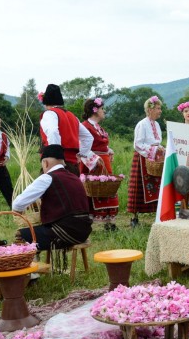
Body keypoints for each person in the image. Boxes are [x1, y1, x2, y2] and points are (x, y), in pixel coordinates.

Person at [12, 144, 92, 252]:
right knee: (37, 231)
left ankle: (31, 266)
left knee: (21, 235)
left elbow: (17, 204)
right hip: (83, 231)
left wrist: (18, 211)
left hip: (65, 232)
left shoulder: (47, 178)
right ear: (63, 162)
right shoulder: (75, 177)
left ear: (45, 163)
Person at [38, 84, 99, 175]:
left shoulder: (49, 114)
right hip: (73, 165)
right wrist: (81, 155)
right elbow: (88, 138)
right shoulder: (72, 116)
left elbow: (53, 132)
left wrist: (56, 157)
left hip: (55, 164)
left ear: (46, 102)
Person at [79, 97, 119, 231]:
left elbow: (101, 145)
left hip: (104, 162)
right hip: (92, 164)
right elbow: (81, 147)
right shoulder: (84, 126)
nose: (104, 111)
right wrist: (94, 160)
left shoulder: (98, 127)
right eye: (102, 109)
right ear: (95, 111)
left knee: (108, 189)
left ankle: (109, 222)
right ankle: (89, 223)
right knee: (93, 190)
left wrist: (108, 150)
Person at [127, 96, 165, 227]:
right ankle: (134, 218)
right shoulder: (142, 124)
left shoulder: (157, 124)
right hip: (142, 158)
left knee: (156, 186)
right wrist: (152, 151)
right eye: (158, 108)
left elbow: (157, 142)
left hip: (155, 160)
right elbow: (137, 144)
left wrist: (160, 149)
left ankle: (157, 215)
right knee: (139, 188)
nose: (160, 111)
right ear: (150, 109)